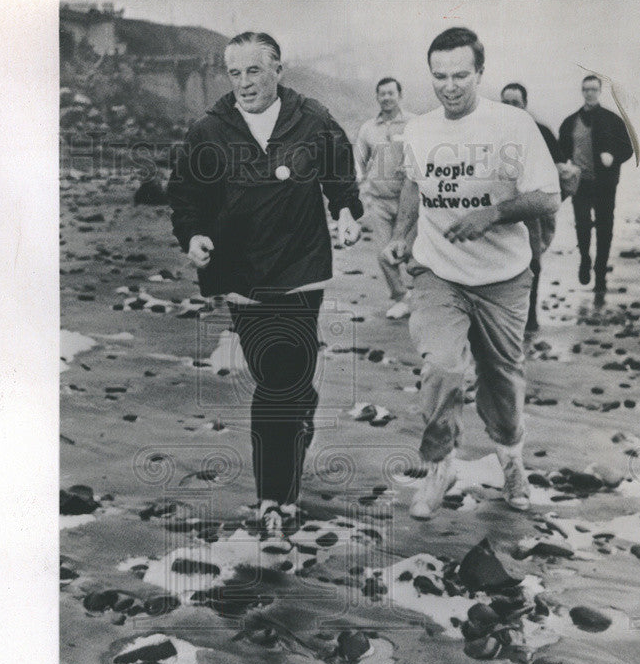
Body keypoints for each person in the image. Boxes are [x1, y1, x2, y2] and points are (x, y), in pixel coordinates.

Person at [167, 31, 362, 535]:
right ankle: (292, 442)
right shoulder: (210, 131)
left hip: (299, 271)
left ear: (278, 68)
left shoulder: (312, 118)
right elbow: (185, 194)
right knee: (280, 377)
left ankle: (276, 499)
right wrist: (193, 236)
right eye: (234, 73)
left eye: (254, 71)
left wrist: (345, 211)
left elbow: (340, 174)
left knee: (281, 381)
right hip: (241, 275)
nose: (244, 83)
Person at [383, 27, 560, 519]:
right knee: (441, 367)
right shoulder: (419, 130)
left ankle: (511, 462)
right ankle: (440, 466)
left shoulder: (512, 125)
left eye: (461, 75)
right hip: (439, 272)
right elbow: (412, 188)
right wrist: (400, 235)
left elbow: (548, 196)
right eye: (440, 76)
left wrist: (493, 214)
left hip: (503, 278)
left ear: (480, 73)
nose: (450, 86)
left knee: (503, 384)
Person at [558, 74, 634, 293]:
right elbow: (560, 152)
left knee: (604, 229)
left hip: (605, 185)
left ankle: (600, 274)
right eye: (586, 89)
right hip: (580, 184)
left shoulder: (612, 120)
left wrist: (613, 157)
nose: (589, 93)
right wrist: (564, 169)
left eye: (593, 89)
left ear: (599, 91)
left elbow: (629, 149)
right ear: (582, 91)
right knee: (582, 225)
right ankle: (584, 260)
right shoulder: (570, 122)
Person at [354, 78, 415, 319]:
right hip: (378, 199)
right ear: (377, 97)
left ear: (400, 95)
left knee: (412, 253)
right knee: (383, 253)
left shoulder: (414, 123)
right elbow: (359, 161)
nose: (387, 98)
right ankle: (401, 297)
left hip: (409, 199)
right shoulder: (369, 128)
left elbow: (426, 156)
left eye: (391, 93)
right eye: (382, 94)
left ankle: (422, 298)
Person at [500, 82, 559, 332]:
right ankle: (504, 318)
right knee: (502, 262)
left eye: (515, 102)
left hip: (533, 210)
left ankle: (531, 317)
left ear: (525, 104)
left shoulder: (542, 132)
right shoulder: (492, 132)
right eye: (506, 103)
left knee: (532, 262)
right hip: (500, 209)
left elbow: (559, 170)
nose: (511, 107)